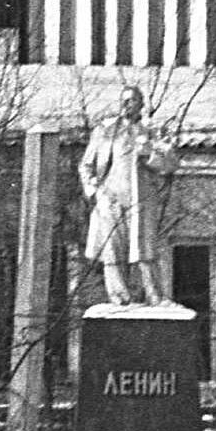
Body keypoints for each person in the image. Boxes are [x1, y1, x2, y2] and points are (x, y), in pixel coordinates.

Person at [80, 85, 179, 306]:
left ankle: (154, 296)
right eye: (123, 100)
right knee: (112, 252)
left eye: (132, 100)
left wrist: (149, 155)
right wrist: (94, 191)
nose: (126, 104)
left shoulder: (152, 132)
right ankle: (120, 299)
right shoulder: (105, 131)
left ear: (141, 104)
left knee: (145, 250)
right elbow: (86, 165)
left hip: (139, 200)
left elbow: (171, 164)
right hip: (110, 199)